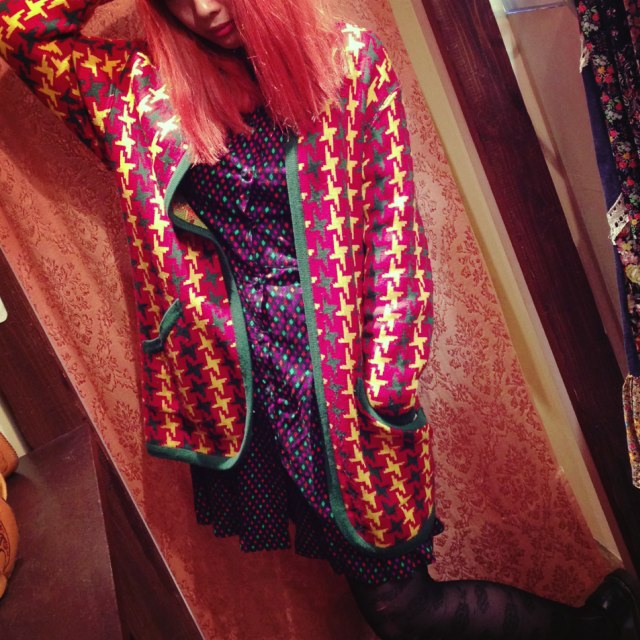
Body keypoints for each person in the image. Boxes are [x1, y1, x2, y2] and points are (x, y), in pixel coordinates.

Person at [1, 0, 639, 637]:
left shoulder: (349, 64)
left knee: (400, 606)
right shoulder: (136, 93)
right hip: (247, 394)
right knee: (380, 598)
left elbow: (395, 229)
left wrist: (386, 385)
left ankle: (598, 627)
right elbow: (21, 29)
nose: (203, 8)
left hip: (345, 385)